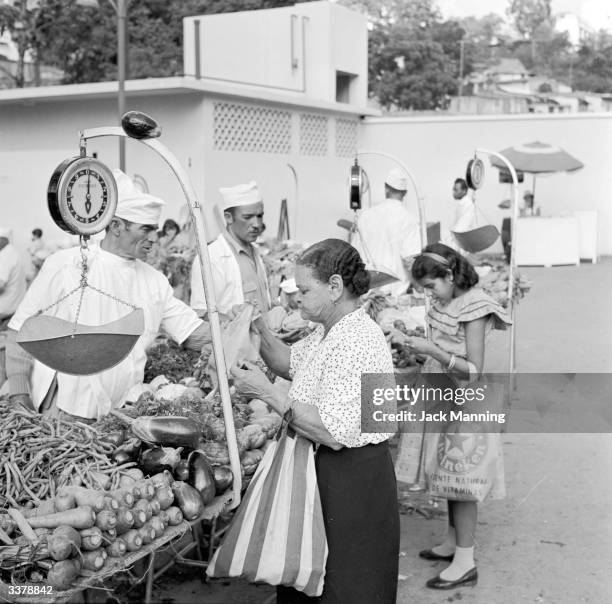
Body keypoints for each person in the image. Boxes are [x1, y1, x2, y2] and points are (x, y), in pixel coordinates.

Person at [231, 238, 400, 603]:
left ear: (335, 287)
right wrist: (255, 324)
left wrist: (266, 393)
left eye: (306, 290)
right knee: (312, 581)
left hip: (351, 478)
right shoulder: (332, 330)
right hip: (331, 472)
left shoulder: (359, 340)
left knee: (345, 585)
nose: (298, 298)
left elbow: (332, 432)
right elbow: (287, 362)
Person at [5, 171, 213, 421]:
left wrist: (239, 326)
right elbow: (20, 330)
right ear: (115, 226)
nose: (154, 238)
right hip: (64, 410)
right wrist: (19, 394)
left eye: (155, 230)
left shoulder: (154, 280)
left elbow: (192, 333)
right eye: (145, 229)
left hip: (121, 413)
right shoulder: (66, 266)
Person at [391, 243, 510, 590]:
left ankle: (466, 559)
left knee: (463, 480)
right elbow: (439, 349)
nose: (429, 294)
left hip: (466, 402)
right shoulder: (444, 300)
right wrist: (414, 351)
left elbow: (473, 371)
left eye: (431, 286)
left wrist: (433, 351)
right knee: (445, 472)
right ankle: (451, 540)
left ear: (450, 274)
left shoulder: (475, 307)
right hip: (442, 395)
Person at [190, 181, 271, 316]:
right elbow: (200, 313)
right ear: (228, 217)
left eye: (260, 216)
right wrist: (229, 319)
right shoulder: (210, 258)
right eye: (248, 217)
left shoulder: (256, 253)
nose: (257, 224)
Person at [352, 168, 420, 297]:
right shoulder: (408, 219)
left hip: (364, 292)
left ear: (386, 188)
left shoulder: (366, 215)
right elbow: (411, 261)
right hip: (392, 296)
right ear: (405, 192)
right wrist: (421, 289)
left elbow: (353, 254)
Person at [0, 228, 27, 385]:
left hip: (7, 316)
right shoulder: (8, 253)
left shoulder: (7, 255)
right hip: (9, 313)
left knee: (2, 363)